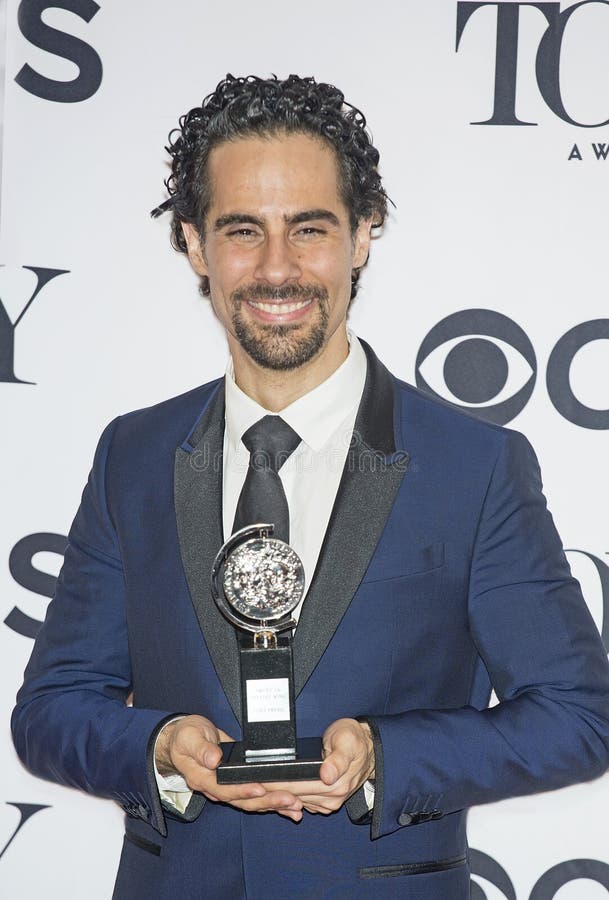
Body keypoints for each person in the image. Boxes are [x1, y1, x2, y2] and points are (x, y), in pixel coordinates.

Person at [11, 74, 609, 900]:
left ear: (363, 235)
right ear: (193, 243)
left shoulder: (473, 467)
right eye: (243, 231)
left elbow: (578, 717)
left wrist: (385, 757)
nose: (278, 269)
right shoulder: (134, 456)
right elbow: (51, 712)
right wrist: (156, 745)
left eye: (311, 229)